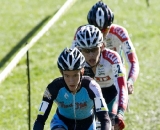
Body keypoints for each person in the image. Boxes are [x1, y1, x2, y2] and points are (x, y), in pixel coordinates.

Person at [33, 47, 111, 130]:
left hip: (87, 124)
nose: (71, 81)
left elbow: (105, 119)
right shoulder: (53, 88)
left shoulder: (92, 87)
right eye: (67, 76)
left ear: (82, 71)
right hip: (61, 123)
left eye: (75, 75)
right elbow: (40, 120)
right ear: (61, 73)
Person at [73, 24, 128, 130]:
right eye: (86, 51)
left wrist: (120, 113)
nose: (91, 55)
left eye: (94, 49)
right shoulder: (77, 62)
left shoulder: (113, 58)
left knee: (112, 126)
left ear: (102, 46)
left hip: (112, 93)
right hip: (91, 96)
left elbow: (121, 88)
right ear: (80, 49)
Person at [87, 1, 139, 95]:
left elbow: (133, 61)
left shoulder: (119, 32)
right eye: (97, 30)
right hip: (92, 83)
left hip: (115, 82)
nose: (101, 35)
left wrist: (130, 81)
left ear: (110, 26)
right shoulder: (82, 34)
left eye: (105, 30)